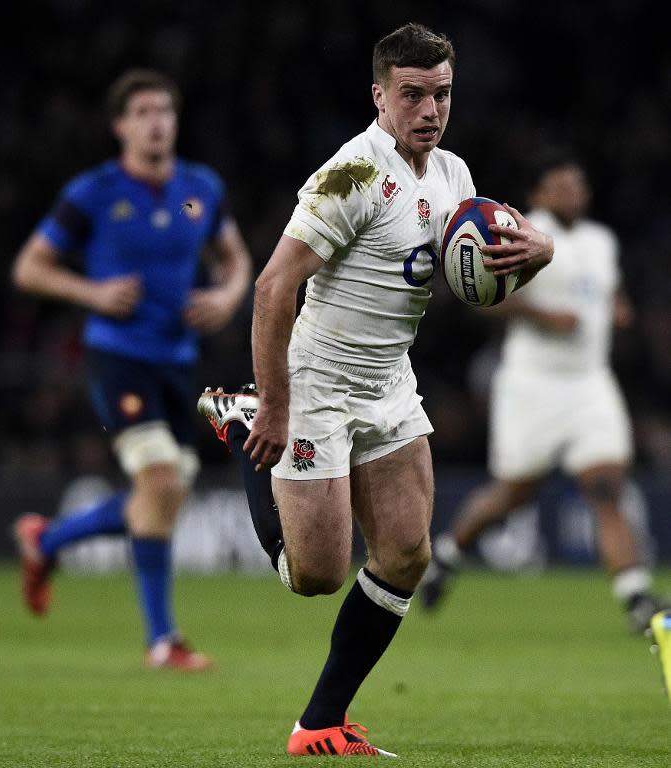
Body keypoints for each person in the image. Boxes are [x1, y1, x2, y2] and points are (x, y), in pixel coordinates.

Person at [198, 23, 553, 757]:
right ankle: (240, 423)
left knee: (403, 555)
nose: (430, 110)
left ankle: (318, 724)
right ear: (380, 96)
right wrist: (274, 403)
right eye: (414, 95)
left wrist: (538, 249)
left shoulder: (452, 174)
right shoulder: (352, 175)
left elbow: (482, 261)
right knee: (316, 575)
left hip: (388, 381)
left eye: (442, 94)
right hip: (314, 386)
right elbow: (271, 288)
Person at [11, 68, 252, 669]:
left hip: (178, 362)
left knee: (160, 497)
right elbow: (29, 268)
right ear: (120, 125)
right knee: (161, 482)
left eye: (164, 111)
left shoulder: (200, 188)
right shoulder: (93, 192)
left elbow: (236, 258)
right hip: (117, 357)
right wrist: (91, 293)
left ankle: (48, 539)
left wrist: (225, 298)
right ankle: (162, 640)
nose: (156, 122)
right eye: (142, 112)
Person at [420, 149, 670, 633]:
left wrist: (618, 308)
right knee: (514, 493)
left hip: (590, 383)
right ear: (539, 194)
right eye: (561, 186)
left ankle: (636, 595)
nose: (573, 194)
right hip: (532, 384)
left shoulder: (599, 241)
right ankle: (449, 553)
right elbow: (480, 296)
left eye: (578, 186)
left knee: (606, 486)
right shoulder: (512, 228)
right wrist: (542, 316)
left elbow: (605, 289)